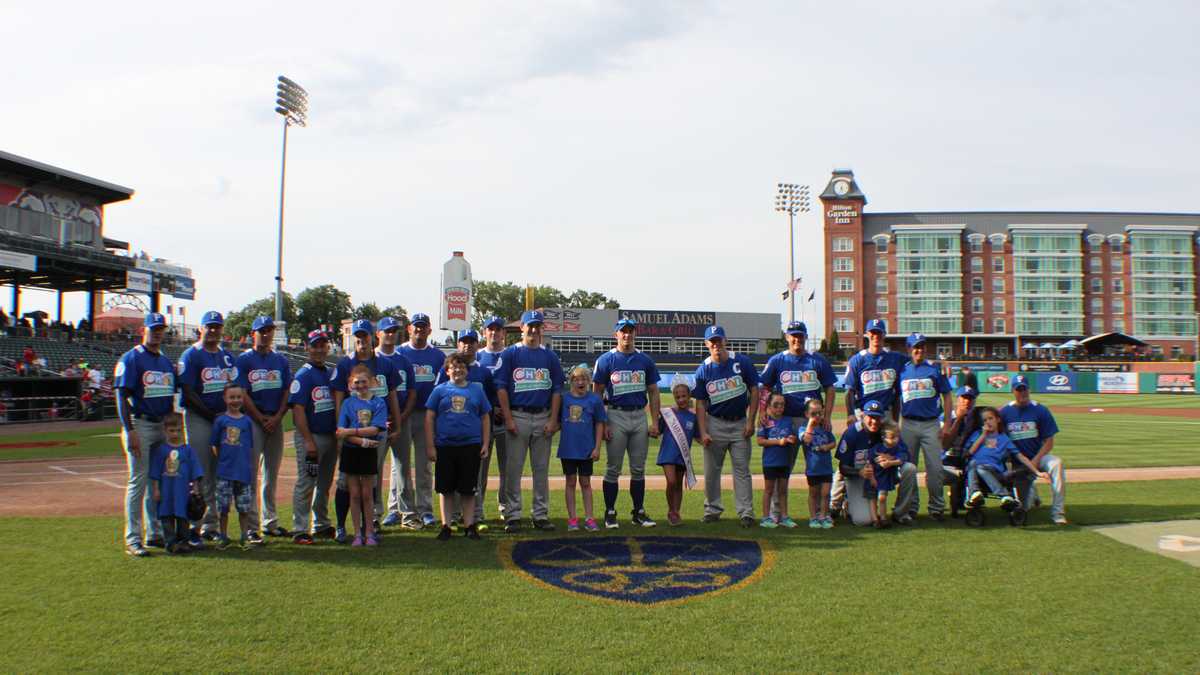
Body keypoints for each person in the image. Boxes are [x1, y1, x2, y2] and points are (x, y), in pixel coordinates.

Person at [330, 319, 402, 542]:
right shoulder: (344, 364)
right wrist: (342, 433)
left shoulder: (385, 364)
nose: (361, 339)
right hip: (349, 436)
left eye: (365, 335)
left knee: (372, 480)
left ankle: (371, 524)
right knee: (346, 484)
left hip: (372, 436)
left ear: (373, 337)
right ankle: (344, 526)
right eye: (358, 336)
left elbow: (392, 397)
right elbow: (339, 399)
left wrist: (398, 425)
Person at [493, 310, 565, 533]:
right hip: (518, 415)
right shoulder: (510, 354)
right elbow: (501, 388)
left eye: (537, 326)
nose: (533, 329)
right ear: (522, 328)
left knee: (541, 470)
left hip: (543, 416)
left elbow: (556, 390)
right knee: (513, 469)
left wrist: (554, 419)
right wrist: (508, 417)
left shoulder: (550, 356)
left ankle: (540, 514)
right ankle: (513, 515)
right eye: (529, 326)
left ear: (542, 328)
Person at [759, 320, 836, 520]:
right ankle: (777, 514)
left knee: (818, 463)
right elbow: (765, 387)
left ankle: (821, 514)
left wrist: (826, 416)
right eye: (793, 335)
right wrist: (762, 412)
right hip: (785, 421)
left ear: (805, 337)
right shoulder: (777, 360)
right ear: (787, 337)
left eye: (800, 335)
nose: (797, 339)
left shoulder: (816, 360)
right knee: (783, 466)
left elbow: (830, 387)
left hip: (813, 421)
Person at [591, 317, 661, 529]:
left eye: (630, 331)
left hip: (639, 415)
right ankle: (610, 512)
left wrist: (654, 421)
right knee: (613, 468)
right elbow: (597, 393)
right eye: (623, 331)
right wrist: (603, 424)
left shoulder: (645, 360)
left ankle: (638, 512)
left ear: (635, 334)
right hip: (615, 414)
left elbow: (653, 392)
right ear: (616, 335)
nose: (627, 335)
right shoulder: (606, 360)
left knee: (638, 469)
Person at [115, 312, 175, 557]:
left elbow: (171, 398)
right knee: (138, 481)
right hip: (140, 424)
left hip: (161, 425)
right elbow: (121, 395)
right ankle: (133, 538)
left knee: (157, 482)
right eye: (153, 329)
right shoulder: (132, 358)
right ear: (144, 331)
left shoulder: (165, 361)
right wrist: (129, 430)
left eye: (161, 329)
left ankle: (155, 532)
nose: (158, 333)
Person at [177, 311, 238, 540]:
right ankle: (194, 525)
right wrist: (213, 415)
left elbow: (234, 386)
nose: (213, 330)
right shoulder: (191, 355)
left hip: (222, 420)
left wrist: (227, 416)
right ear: (201, 329)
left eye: (217, 326)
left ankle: (210, 527)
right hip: (200, 419)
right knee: (200, 473)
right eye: (209, 326)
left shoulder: (227, 357)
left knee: (219, 473)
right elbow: (189, 391)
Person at [693, 325, 760, 527]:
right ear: (706, 345)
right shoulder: (703, 369)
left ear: (725, 341)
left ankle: (746, 512)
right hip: (715, 422)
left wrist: (750, 421)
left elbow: (755, 390)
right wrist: (703, 431)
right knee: (712, 470)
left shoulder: (742, 361)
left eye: (718, 340)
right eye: (712, 342)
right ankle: (712, 509)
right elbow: (700, 404)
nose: (716, 345)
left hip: (740, 422)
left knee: (742, 470)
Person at [433, 330, 497, 531]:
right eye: (464, 341)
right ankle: (449, 521)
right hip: (447, 440)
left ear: (478, 344)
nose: (468, 345)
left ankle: (474, 518)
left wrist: (485, 441)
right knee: (448, 484)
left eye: (472, 342)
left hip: (472, 438)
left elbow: (487, 410)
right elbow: (432, 412)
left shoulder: (482, 374)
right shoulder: (443, 380)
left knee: (474, 481)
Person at [235, 316, 292, 538]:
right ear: (253, 334)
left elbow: (287, 390)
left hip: (275, 421)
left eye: (269, 330)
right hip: (253, 421)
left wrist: (278, 417)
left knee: (271, 475)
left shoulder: (280, 360)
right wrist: (260, 418)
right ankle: (251, 527)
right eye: (262, 331)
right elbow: (243, 393)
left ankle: (270, 522)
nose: (266, 334)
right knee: (250, 475)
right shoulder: (244, 360)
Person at [832, 400, 918, 526]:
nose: (874, 421)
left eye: (877, 417)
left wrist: (892, 459)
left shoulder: (888, 431)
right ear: (863, 416)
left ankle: (900, 514)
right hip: (859, 476)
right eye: (871, 417)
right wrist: (859, 472)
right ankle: (845, 501)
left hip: (886, 473)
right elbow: (842, 467)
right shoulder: (852, 433)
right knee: (862, 520)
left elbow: (906, 455)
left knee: (909, 468)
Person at [289, 330, 338, 544]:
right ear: (308, 348)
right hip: (313, 437)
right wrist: (308, 441)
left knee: (325, 483)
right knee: (307, 482)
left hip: (330, 436)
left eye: (323, 345)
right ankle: (300, 528)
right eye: (315, 345)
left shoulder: (330, 372)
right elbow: (298, 411)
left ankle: (321, 524)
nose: (319, 349)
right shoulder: (304, 375)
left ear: (327, 347)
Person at [397, 313, 445, 528]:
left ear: (429, 330)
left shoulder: (437, 356)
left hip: (427, 414)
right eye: (416, 326)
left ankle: (425, 509)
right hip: (404, 413)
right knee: (400, 466)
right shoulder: (400, 352)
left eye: (423, 326)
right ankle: (398, 509)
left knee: (424, 465)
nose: (419, 330)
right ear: (409, 329)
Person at [897, 332, 953, 521]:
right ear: (908, 349)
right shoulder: (902, 371)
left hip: (931, 424)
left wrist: (947, 424)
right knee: (908, 467)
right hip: (908, 423)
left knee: (935, 468)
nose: (918, 350)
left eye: (921, 346)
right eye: (915, 347)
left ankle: (936, 507)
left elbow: (947, 395)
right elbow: (895, 399)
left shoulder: (934, 369)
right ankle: (911, 506)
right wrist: (897, 424)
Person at [999, 375, 1068, 525]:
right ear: (1013, 391)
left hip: (1039, 456)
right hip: (1017, 461)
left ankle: (1058, 513)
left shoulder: (1040, 410)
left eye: (1024, 388)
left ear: (1029, 389)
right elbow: (1000, 441)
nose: (1022, 392)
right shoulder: (1005, 412)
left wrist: (1035, 461)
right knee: (1024, 507)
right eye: (1018, 389)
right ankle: (1032, 493)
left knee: (1057, 463)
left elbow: (1049, 443)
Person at [336, 364, 388, 547]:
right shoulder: (348, 403)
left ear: (372, 382)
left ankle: (369, 532)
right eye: (356, 382)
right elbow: (340, 431)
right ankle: (357, 533)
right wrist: (362, 440)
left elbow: (376, 428)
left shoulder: (379, 402)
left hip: (368, 454)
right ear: (351, 384)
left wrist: (353, 432)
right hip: (351, 451)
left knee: (367, 494)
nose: (360, 385)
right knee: (355, 494)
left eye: (364, 382)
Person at [374, 316, 417, 529]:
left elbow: (411, 392)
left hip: (401, 419)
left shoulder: (403, 360)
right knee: (375, 469)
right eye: (387, 331)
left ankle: (407, 514)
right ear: (378, 334)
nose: (390, 334)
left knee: (403, 469)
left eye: (393, 331)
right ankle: (375, 514)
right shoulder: (369, 359)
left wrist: (401, 417)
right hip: (376, 423)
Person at [963, 406, 1048, 510]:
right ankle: (980, 494)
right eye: (985, 420)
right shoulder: (977, 435)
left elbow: (1021, 456)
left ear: (998, 419)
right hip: (976, 473)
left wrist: (1037, 472)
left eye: (990, 418)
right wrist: (983, 435)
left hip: (995, 472)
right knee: (973, 463)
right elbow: (970, 452)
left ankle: (996, 494)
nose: (988, 422)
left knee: (978, 466)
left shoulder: (1004, 439)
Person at [209, 383, 259, 549]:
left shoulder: (246, 421)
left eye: (238, 397)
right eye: (232, 397)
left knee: (243, 508)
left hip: (243, 472)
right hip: (225, 472)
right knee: (223, 508)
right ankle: (223, 535)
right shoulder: (220, 420)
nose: (235, 400)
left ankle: (244, 536)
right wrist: (225, 460)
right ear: (225, 398)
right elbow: (215, 445)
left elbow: (249, 447)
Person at [557, 363, 606, 531]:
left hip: (586, 448)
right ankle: (572, 519)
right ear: (571, 381)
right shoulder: (564, 399)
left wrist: (597, 447)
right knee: (570, 482)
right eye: (577, 379)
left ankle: (589, 518)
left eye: (584, 378)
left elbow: (600, 424)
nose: (580, 382)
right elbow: (556, 421)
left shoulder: (595, 400)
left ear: (589, 381)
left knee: (585, 482)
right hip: (568, 448)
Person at [149, 412, 204, 554]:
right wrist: (156, 489)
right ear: (165, 430)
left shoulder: (188, 450)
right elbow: (155, 472)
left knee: (182, 517)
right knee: (166, 518)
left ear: (183, 429)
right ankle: (170, 543)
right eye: (171, 431)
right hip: (166, 491)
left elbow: (195, 470)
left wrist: (196, 487)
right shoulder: (161, 450)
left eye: (178, 430)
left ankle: (183, 542)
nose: (175, 434)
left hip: (182, 491)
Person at [474, 316, 509, 524]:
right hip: (482, 419)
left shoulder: (511, 355)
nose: (494, 333)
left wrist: (504, 409)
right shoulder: (476, 357)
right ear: (484, 332)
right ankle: (477, 510)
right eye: (490, 329)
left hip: (506, 417)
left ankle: (505, 508)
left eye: (498, 329)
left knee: (508, 468)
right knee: (479, 470)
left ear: (504, 333)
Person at [656, 374, 698, 527]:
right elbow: (657, 431)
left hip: (682, 456)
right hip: (667, 454)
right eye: (678, 396)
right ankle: (670, 509)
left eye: (684, 396)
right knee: (671, 481)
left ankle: (676, 512)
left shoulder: (693, 417)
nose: (681, 399)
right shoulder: (667, 414)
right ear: (674, 396)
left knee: (678, 484)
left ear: (689, 396)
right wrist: (650, 430)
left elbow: (698, 436)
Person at [939, 385, 982, 516]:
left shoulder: (976, 419)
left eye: (970, 399)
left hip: (965, 460)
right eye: (964, 398)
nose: (967, 402)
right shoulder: (946, 417)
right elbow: (944, 445)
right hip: (946, 460)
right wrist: (958, 419)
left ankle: (970, 499)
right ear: (957, 399)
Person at [756, 393, 797, 529]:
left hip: (784, 460)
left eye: (782, 405)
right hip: (770, 462)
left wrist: (791, 439)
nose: (779, 408)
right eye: (776, 405)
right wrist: (779, 441)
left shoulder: (788, 420)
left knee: (783, 490)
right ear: (769, 406)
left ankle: (784, 517)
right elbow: (760, 441)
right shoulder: (765, 421)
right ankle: (765, 517)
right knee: (768, 490)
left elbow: (792, 436)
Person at [800, 398, 836, 529]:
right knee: (813, 494)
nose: (817, 417)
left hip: (826, 468)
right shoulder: (804, 428)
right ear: (806, 414)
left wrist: (827, 447)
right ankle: (813, 517)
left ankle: (824, 516)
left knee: (826, 493)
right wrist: (811, 424)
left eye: (819, 413)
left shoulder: (825, 429)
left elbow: (833, 442)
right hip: (813, 469)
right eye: (813, 414)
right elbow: (807, 439)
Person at [866, 422, 907, 528]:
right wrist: (871, 477)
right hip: (874, 477)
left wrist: (890, 463)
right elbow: (869, 461)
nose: (895, 440)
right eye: (892, 437)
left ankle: (883, 518)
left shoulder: (897, 448)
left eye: (897, 436)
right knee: (873, 498)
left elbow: (902, 459)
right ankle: (875, 519)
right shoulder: (876, 448)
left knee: (882, 497)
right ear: (883, 437)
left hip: (884, 477)